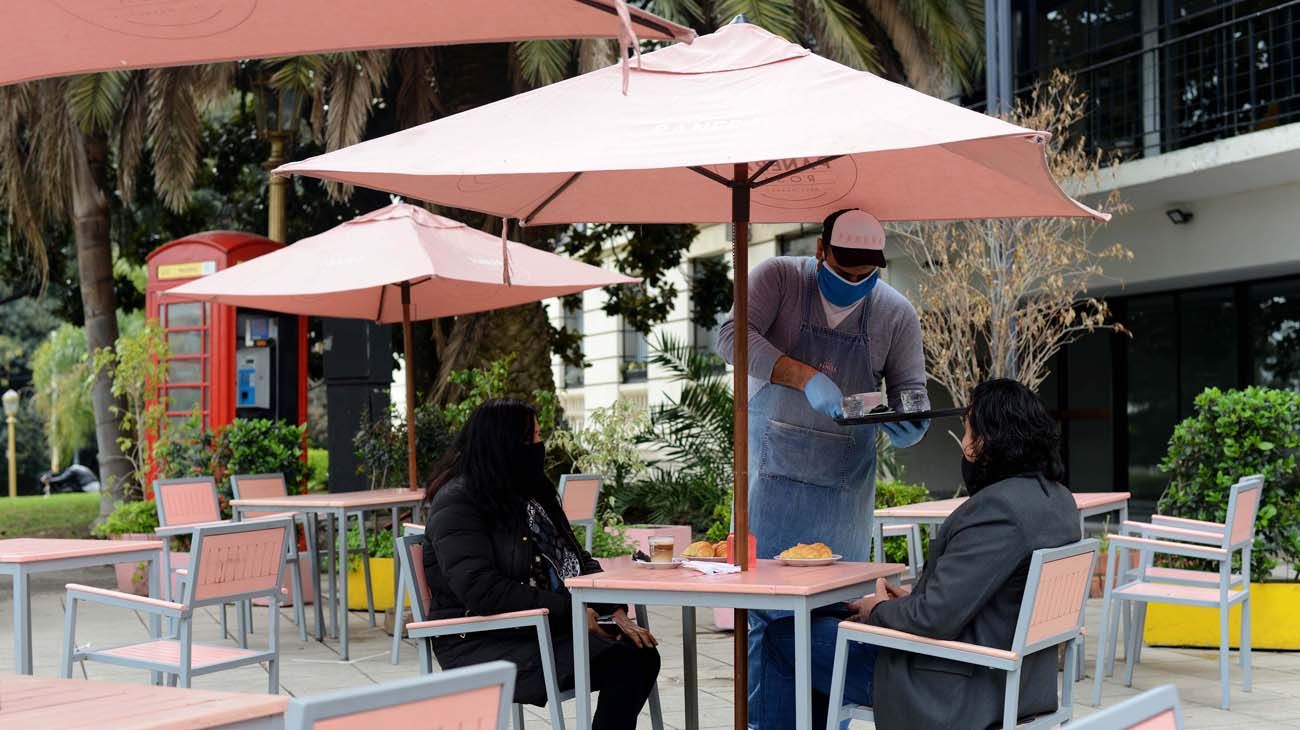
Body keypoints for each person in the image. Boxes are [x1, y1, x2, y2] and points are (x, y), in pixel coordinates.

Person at [759, 378, 1082, 729]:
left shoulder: (999, 510)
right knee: (821, 628)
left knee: (788, 637)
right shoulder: (1058, 500)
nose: (964, 443)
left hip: (952, 687)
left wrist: (877, 610)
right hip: (1015, 679)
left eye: (967, 428)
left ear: (986, 441)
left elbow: (932, 618)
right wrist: (912, 597)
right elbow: (989, 595)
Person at [716, 208, 930, 726]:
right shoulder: (778, 279)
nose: (853, 283)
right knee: (766, 630)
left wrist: (909, 421)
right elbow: (729, 338)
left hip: (842, 501)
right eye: (843, 271)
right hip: (771, 491)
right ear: (820, 251)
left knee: (828, 628)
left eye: (865, 275)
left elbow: (912, 393)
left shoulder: (896, 313)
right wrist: (804, 376)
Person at [422, 399, 661, 730]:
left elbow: (576, 559)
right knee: (625, 662)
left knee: (640, 651)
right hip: (482, 639)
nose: (539, 446)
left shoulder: (529, 491)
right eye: (530, 439)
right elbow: (482, 590)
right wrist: (571, 610)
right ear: (504, 444)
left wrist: (613, 607)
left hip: (539, 627)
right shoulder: (458, 502)